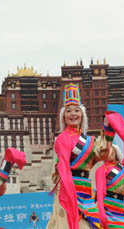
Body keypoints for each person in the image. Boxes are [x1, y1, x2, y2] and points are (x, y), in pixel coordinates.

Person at [47, 83, 111, 229]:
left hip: (86, 190)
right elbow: (63, 167)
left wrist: (109, 132)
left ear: (82, 115)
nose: (73, 114)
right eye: (68, 111)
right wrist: (69, 192)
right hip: (68, 191)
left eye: (77, 110)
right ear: (64, 116)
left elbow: (103, 154)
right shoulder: (62, 139)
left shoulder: (89, 141)